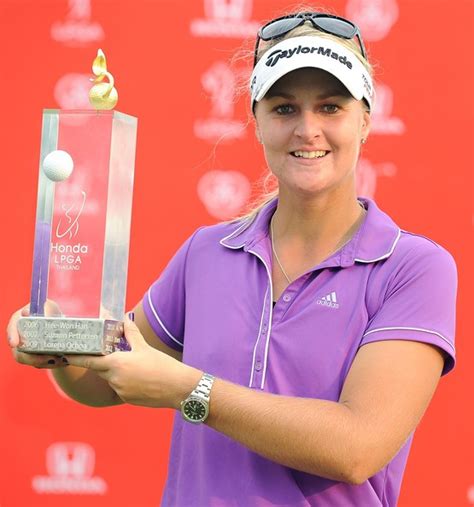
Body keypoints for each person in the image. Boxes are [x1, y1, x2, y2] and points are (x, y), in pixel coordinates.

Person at [8, 8, 457, 507]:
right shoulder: (206, 252)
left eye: (331, 107)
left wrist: (190, 390)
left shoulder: (414, 267)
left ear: (366, 120)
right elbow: (104, 382)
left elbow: (357, 447)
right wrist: (58, 345)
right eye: (284, 109)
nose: (308, 129)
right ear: (257, 122)